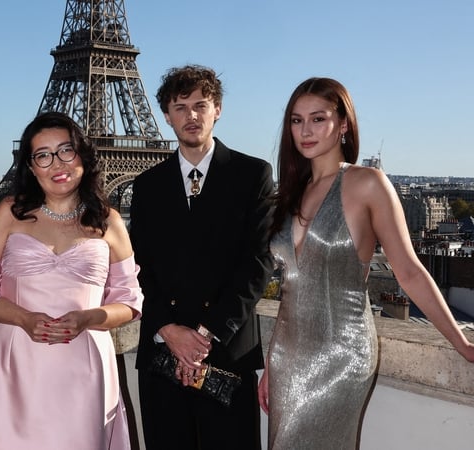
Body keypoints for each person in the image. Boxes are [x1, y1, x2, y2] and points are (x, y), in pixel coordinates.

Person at [257, 77, 474, 449]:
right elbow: (292, 291)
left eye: (318, 118)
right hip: (287, 358)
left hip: (341, 354)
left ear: (343, 124)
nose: (305, 131)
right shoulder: (291, 192)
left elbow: (408, 271)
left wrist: (462, 342)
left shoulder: (367, 183)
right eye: (296, 120)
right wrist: (272, 361)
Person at [0, 111, 143, 450]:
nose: (57, 164)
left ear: (82, 156)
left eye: (66, 150)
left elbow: (131, 299)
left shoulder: (110, 222)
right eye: (43, 155)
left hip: (83, 365)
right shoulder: (9, 213)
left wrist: (89, 318)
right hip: (17, 360)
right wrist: (24, 319)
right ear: (31, 167)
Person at [130, 65, 275, 450]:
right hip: (164, 351)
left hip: (226, 351)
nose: (191, 116)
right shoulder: (147, 185)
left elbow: (257, 264)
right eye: (180, 107)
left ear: (218, 109)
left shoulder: (253, 175)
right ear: (165, 115)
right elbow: (137, 268)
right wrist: (168, 330)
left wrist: (205, 336)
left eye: (200, 105)